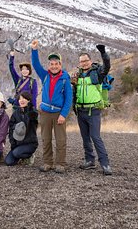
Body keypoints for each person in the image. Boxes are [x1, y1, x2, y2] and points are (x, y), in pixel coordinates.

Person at [31, 39, 72, 173]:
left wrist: (63, 114)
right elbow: (36, 65)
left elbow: (68, 99)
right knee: (46, 138)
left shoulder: (65, 78)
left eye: (56, 63)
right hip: (45, 113)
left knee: (61, 140)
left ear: (60, 64)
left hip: (58, 113)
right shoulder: (45, 76)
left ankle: (61, 163)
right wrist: (34, 50)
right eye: (51, 64)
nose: (54, 66)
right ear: (49, 65)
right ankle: (48, 162)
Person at [73, 44, 113, 175]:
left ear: (90, 61)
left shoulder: (98, 72)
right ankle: (89, 160)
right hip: (81, 110)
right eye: (81, 61)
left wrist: (103, 53)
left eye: (86, 61)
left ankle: (105, 164)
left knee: (95, 137)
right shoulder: (77, 76)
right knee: (85, 138)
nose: (84, 63)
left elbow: (107, 66)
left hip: (94, 110)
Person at [5, 91, 39, 166]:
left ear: (28, 100)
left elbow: (34, 117)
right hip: (18, 143)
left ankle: (30, 155)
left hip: (30, 143)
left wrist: (30, 109)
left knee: (16, 153)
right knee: (8, 161)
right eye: (20, 99)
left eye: (24, 98)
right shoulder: (15, 113)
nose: (22, 100)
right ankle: (20, 154)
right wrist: (13, 144)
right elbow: (11, 129)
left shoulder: (32, 111)